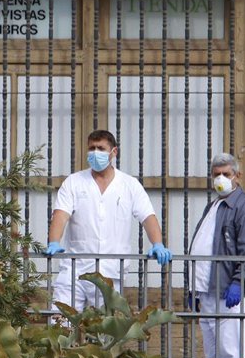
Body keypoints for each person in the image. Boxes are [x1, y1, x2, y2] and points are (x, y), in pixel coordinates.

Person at [45, 129, 172, 311]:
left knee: (106, 325)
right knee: (61, 319)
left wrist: (157, 243)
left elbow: (147, 216)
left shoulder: (129, 185)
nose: (95, 152)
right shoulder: (73, 182)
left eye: (101, 148)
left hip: (111, 271)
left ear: (114, 152)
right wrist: (54, 241)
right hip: (75, 269)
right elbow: (60, 214)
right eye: (91, 148)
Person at [189, 152, 245, 358]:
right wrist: (193, 288)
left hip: (230, 294)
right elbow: (203, 245)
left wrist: (239, 282)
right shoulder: (214, 206)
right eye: (216, 174)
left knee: (234, 355)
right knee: (214, 357)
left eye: (226, 174)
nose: (220, 179)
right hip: (208, 292)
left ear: (237, 176)